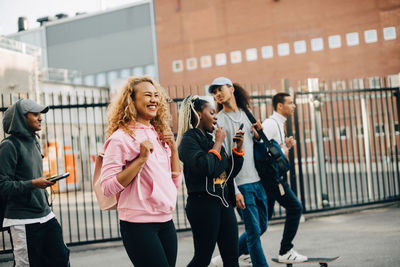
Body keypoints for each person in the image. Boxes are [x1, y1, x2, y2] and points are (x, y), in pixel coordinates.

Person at [100, 76, 182, 267]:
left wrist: (173, 148)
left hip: (166, 220)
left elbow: (175, 183)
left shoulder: (158, 133)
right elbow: (107, 187)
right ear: (132, 100)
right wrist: (141, 159)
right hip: (138, 224)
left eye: (156, 95)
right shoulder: (121, 138)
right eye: (147, 95)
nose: (154, 99)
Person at [0, 99, 70, 267]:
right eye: (35, 114)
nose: (40, 118)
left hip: (45, 214)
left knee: (60, 258)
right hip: (22, 219)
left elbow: (29, 175)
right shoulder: (9, 146)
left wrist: (40, 182)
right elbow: (2, 185)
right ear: (21, 118)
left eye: (41, 114)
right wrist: (33, 183)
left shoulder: (34, 141)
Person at [177, 95, 245, 267]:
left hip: (223, 204)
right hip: (203, 205)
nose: (216, 117)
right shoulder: (188, 140)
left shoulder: (211, 140)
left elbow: (228, 172)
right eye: (212, 112)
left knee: (231, 258)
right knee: (202, 258)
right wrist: (219, 142)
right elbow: (205, 167)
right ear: (198, 113)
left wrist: (238, 149)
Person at [209, 77, 269, 267]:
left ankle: (229, 255)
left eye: (221, 89)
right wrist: (234, 190)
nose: (218, 94)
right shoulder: (220, 122)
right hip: (241, 184)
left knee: (262, 226)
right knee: (253, 234)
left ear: (231, 89)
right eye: (215, 92)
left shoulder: (247, 114)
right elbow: (224, 161)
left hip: (258, 180)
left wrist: (258, 135)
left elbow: (255, 146)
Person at [261, 92, 307, 263]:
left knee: (263, 220)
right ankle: (286, 250)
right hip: (272, 179)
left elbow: (271, 148)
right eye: (290, 102)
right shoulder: (271, 124)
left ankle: (236, 252)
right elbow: (260, 149)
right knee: (295, 208)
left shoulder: (278, 123)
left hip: (272, 178)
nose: (293, 105)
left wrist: (283, 146)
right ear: (280, 106)